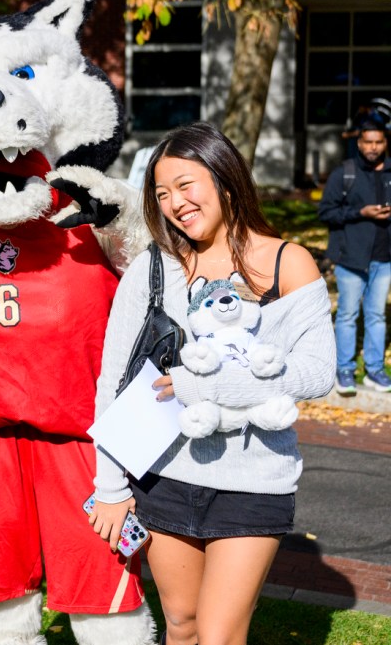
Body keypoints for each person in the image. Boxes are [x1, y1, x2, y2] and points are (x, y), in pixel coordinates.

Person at [89, 122, 335, 645]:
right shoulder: (152, 269)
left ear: (224, 178)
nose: (174, 202)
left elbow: (317, 373)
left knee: (221, 635)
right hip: (163, 477)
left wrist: (207, 386)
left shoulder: (286, 262)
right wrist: (109, 488)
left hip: (254, 482)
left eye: (185, 185)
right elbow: (113, 379)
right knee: (182, 625)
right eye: (161, 193)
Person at [319, 119, 391, 396]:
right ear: (359, 143)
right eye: (368, 142)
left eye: (379, 142)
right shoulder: (345, 173)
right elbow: (326, 212)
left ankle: (375, 370)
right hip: (351, 258)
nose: (373, 147)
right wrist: (360, 213)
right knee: (347, 315)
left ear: (385, 143)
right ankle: (344, 369)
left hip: (384, 259)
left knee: (377, 315)